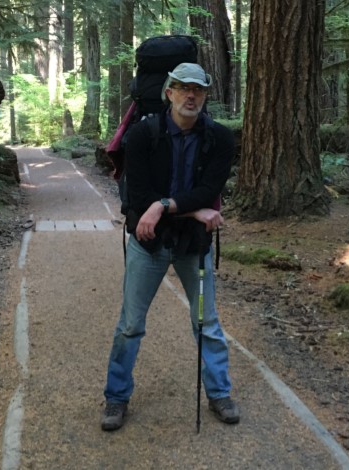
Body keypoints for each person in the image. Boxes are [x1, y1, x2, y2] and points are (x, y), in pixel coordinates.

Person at [102, 63, 239, 431]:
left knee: (207, 322)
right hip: (149, 244)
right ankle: (116, 397)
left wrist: (165, 206)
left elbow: (209, 189)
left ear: (206, 95)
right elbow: (140, 194)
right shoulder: (143, 135)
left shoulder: (221, 139)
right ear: (169, 93)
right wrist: (194, 210)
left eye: (197, 89)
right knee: (130, 324)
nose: (190, 95)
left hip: (193, 245)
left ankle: (219, 393)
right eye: (182, 88)